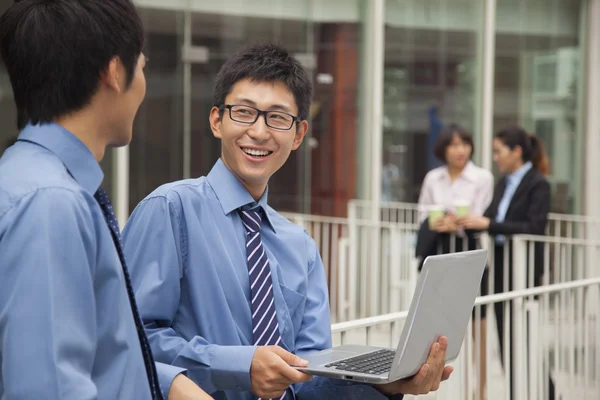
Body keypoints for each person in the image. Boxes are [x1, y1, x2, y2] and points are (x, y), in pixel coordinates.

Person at [122, 43, 453, 400]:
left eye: (277, 117)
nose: (260, 132)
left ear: (298, 135)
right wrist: (240, 365)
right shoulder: (170, 209)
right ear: (217, 120)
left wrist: (386, 382)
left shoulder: (300, 246)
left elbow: (309, 373)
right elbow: (130, 338)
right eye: (244, 112)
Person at [0, 1, 212, 399]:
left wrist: (167, 385)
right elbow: (49, 389)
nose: (144, 83)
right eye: (144, 66)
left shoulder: (30, 178)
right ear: (115, 72)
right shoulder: (51, 203)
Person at [457, 125, 553, 399]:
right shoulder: (503, 183)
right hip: (500, 270)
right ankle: (517, 392)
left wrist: (489, 223)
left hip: (524, 272)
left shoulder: (538, 184)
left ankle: (547, 392)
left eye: (499, 152)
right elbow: (490, 220)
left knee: (526, 340)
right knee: (506, 341)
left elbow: (534, 227)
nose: (495, 157)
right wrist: (466, 222)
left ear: (517, 152)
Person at [416, 123, 493, 399]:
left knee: (478, 326)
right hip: (439, 255)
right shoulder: (433, 178)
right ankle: (430, 387)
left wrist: (458, 224)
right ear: (443, 149)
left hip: (470, 254)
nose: (461, 150)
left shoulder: (482, 177)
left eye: (465, 144)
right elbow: (423, 214)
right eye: (454, 145)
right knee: (434, 325)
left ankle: (479, 391)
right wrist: (437, 224)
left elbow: (481, 214)